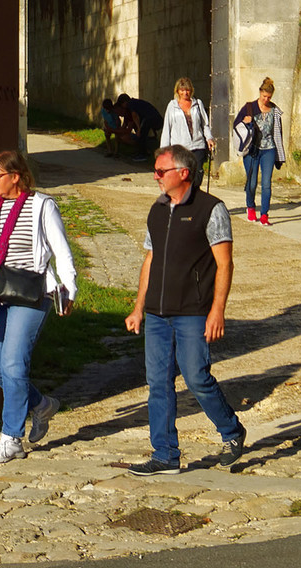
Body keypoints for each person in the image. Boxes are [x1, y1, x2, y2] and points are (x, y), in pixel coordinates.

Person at [123, 143, 246, 473]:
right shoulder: (157, 210)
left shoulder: (211, 209)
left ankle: (232, 432)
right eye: (155, 170)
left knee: (196, 377)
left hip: (193, 311)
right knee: (158, 383)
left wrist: (217, 310)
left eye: (161, 171)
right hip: (157, 314)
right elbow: (150, 259)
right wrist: (138, 307)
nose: (156, 176)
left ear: (183, 173)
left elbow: (224, 264)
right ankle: (165, 455)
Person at [0, 148, 77, 463]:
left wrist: (69, 290)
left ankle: (11, 439)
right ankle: (41, 405)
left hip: (32, 294)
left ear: (16, 177)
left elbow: (61, 251)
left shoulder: (42, 206)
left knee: (14, 365)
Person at [232, 77, 287, 224]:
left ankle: (264, 215)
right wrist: (245, 121)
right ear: (260, 93)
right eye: (264, 96)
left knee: (267, 183)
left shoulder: (275, 111)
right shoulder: (249, 108)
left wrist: (279, 155)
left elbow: (278, 133)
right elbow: (236, 125)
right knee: (252, 182)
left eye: (269, 97)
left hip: (269, 149)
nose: (266, 99)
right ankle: (250, 207)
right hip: (252, 150)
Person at [160, 77, 213, 170]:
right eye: (182, 90)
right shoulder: (172, 106)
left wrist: (209, 138)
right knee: (185, 178)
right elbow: (166, 129)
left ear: (191, 90)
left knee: (197, 178)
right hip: (180, 149)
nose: (185, 93)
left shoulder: (198, 104)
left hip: (198, 146)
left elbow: (205, 124)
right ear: (177, 91)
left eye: (187, 90)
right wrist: (164, 152)